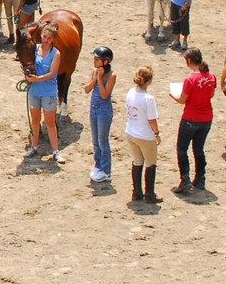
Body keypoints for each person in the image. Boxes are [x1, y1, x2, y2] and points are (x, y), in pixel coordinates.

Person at [168, 47, 216, 192]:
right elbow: (211, 95)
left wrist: (172, 95)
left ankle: (185, 180)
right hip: (206, 118)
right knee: (199, 149)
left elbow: (182, 100)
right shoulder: (211, 76)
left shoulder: (190, 79)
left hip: (190, 118)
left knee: (182, 149)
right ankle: (200, 179)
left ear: (189, 61)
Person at [23, 26, 62, 162]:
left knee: (50, 122)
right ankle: (34, 146)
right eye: (44, 37)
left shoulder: (56, 54)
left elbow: (52, 73)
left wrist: (36, 79)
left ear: (53, 40)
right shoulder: (34, 49)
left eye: (49, 38)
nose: (46, 40)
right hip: (34, 91)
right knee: (35, 121)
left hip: (48, 92)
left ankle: (56, 150)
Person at [123, 66, 163, 203]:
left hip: (131, 132)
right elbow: (152, 120)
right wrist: (157, 133)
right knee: (150, 163)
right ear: (149, 81)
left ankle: (137, 192)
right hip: (145, 135)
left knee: (137, 161)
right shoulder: (148, 98)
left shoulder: (130, 92)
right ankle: (150, 194)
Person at [82, 46, 117, 183]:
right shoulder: (94, 71)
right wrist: (95, 78)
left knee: (103, 141)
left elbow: (104, 94)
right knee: (95, 141)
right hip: (94, 109)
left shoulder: (111, 75)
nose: (94, 62)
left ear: (105, 62)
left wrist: (100, 79)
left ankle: (106, 170)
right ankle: (98, 165)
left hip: (104, 110)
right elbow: (86, 89)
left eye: (97, 60)